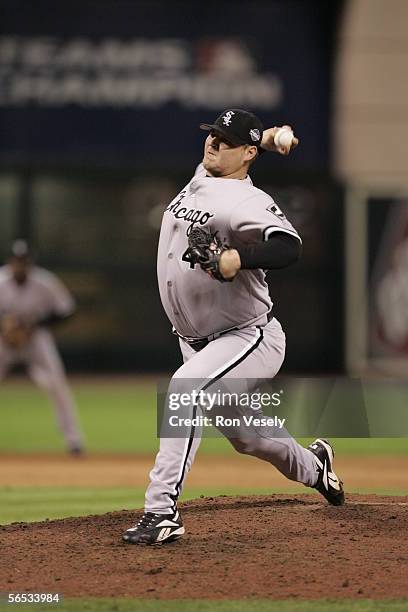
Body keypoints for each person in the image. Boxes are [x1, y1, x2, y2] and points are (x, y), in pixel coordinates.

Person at [123, 109, 344, 545]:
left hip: (247, 337)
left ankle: (161, 510)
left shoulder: (247, 201)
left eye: (225, 141)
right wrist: (271, 136)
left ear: (244, 154)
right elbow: (241, 143)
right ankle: (317, 468)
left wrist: (237, 258)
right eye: (212, 135)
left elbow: (289, 247)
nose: (213, 143)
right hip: (198, 344)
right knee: (249, 438)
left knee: (184, 389)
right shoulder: (203, 175)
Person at [0, 240, 84, 455]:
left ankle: (74, 440)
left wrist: (34, 326)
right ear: (11, 262)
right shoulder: (1, 281)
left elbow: (66, 311)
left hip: (36, 340)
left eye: (24, 261)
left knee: (57, 385)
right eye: (17, 261)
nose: (20, 265)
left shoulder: (45, 282)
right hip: (3, 341)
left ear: (30, 262)